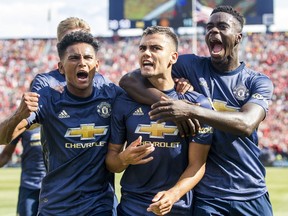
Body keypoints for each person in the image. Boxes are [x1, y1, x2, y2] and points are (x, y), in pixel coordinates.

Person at [119, 5, 274, 216]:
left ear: (238, 37)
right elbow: (129, 80)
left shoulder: (257, 81)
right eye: (209, 27)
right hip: (207, 195)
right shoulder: (190, 65)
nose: (213, 31)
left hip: (250, 189)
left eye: (221, 26)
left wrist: (191, 111)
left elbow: (246, 124)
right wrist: (171, 105)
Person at [0, 31, 123, 215]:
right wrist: (19, 115)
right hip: (57, 207)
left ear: (96, 65)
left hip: (100, 207)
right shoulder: (48, 99)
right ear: (61, 67)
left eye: (88, 57)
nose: (82, 62)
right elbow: (2, 138)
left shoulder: (112, 95)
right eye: (74, 58)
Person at [106, 26, 213, 216]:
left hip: (177, 209)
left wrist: (173, 195)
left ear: (173, 57)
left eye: (155, 48)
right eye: (142, 48)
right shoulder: (123, 101)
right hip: (132, 208)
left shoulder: (197, 104)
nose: (146, 53)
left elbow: (197, 164)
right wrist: (123, 159)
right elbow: (111, 162)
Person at [0, 125, 45, 216]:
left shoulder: (57, 120)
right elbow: (5, 155)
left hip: (52, 186)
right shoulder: (25, 122)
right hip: (29, 184)